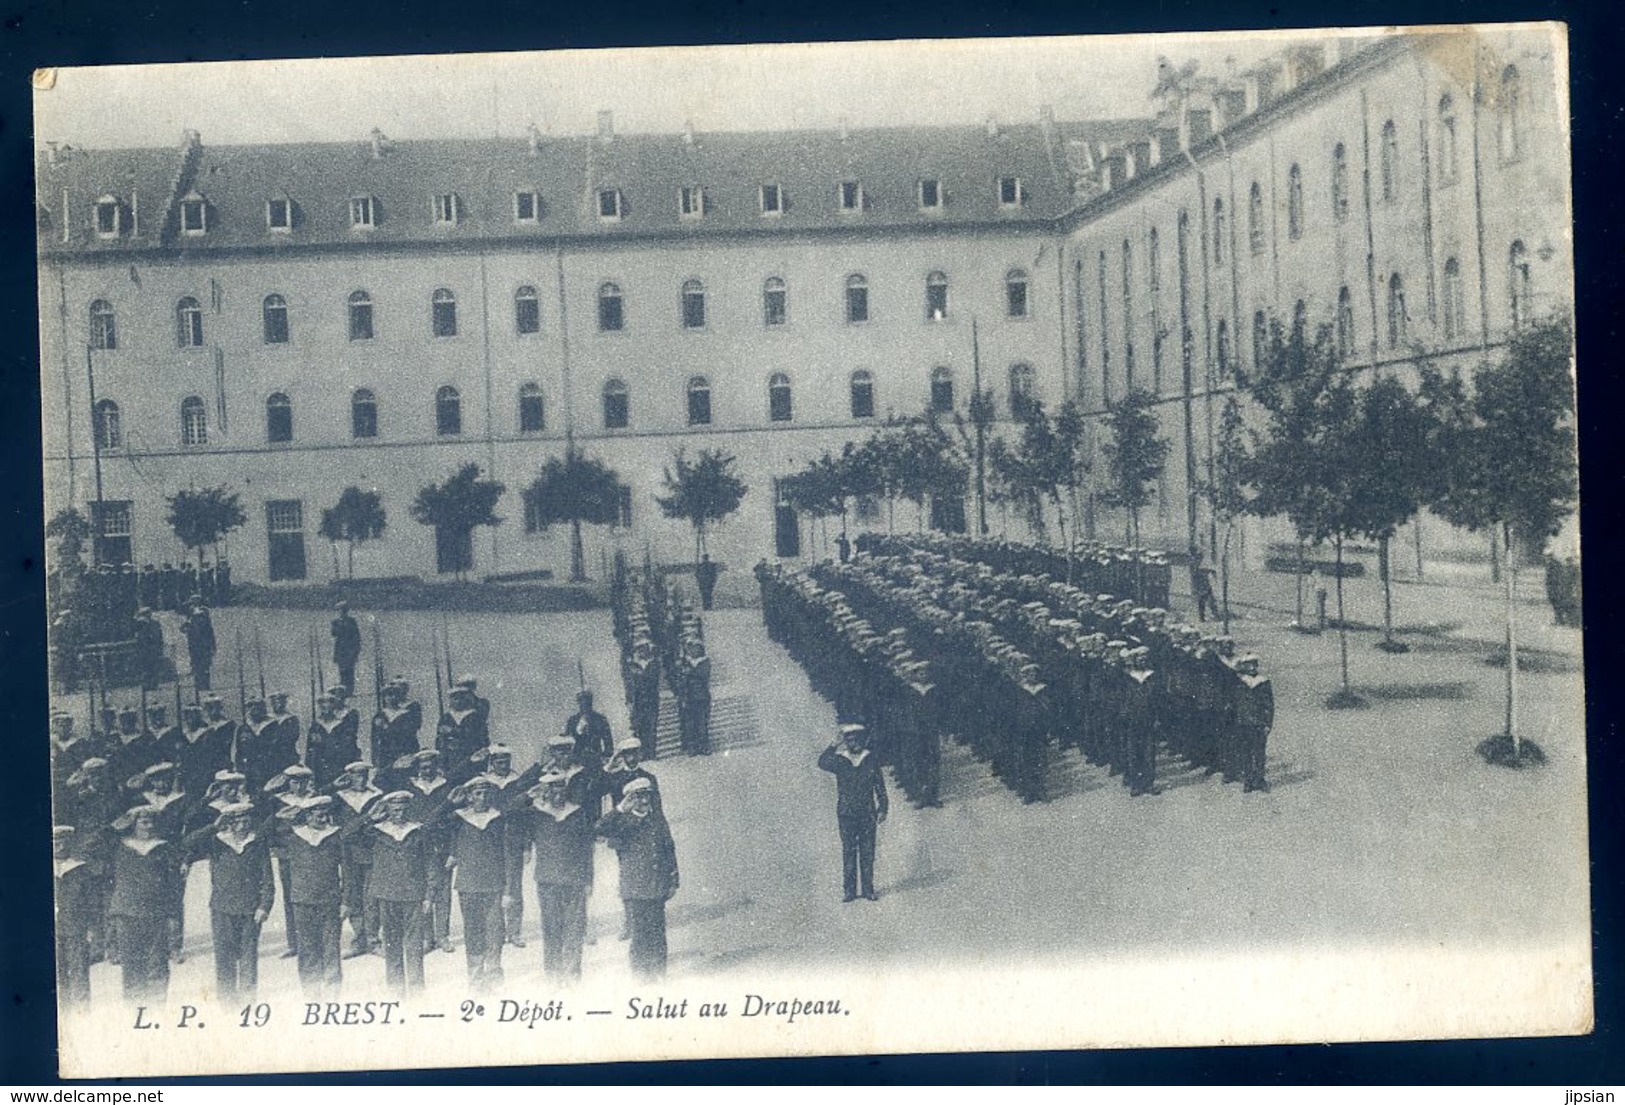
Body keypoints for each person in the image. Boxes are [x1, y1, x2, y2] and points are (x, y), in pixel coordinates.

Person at [180, 800, 274, 1001]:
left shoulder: (257, 843)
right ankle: (227, 1001)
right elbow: (188, 843)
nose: (243, 824)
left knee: (249, 956)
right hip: (222, 908)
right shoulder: (216, 842)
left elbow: (267, 878)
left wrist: (264, 906)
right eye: (238, 820)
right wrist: (214, 826)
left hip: (251, 909)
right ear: (229, 823)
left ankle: (249, 1000)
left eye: (246, 819)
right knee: (225, 958)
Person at [596, 777, 678, 980]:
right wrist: (619, 809)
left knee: (658, 935)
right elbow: (598, 829)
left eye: (647, 795)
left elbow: (669, 849)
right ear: (630, 799)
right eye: (638, 796)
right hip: (635, 890)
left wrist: (674, 879)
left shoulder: (657, 820)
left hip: (657, 885)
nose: (643, 801)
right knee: (640, 937)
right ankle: (641, 977)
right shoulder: (622, 824)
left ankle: (659, 974)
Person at [275, 794, 350, 994]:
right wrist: (285, 814)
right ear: (307, 816)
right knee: (307, 946)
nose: (322, 819)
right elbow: (265, 833)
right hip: (302, 899)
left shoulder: (336, 835)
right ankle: (310, 989)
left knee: (331, 945)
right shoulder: (294, 837)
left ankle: (333, 987)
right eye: (317, 815)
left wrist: (346, 901)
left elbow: (348, 871)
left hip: (330, 899)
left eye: (325, 815)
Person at [106, 805, 178, 1003]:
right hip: (127, 913)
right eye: (144, 821)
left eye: (152, 822)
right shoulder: (120, 846)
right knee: (131, 965)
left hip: (156, 913)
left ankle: (156, 1010)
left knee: (158, 964)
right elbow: (94, 844)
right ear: (133, 824)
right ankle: (135, 1011)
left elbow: (172, 884)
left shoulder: (162, 847)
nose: (149, 826)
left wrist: (173, 915)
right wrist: (121, 821)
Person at [528, 770, 595, 981]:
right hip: (547, 881)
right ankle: (553, 977)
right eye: (552, 790)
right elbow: (508, 812)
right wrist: (528, 795)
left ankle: (572, 975)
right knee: (551, 930)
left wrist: (588, 879)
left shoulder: (577, 812)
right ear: (545, 793)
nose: (558, 794)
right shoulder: (536, 814)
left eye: (561, 789)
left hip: (574, 880)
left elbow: (587, 848)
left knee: (574, 931)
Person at [366, 790, 434, 994]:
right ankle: (395, 989)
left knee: (414, 945)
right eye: (394, 810)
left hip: (413, 894)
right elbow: (348, 836)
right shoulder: (377, 831)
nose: (399, 814)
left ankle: (416, 990)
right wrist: (370, 816)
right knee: (391, 944)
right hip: (387, 895)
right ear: (387, 810)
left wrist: (430, 895)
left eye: (403, 810)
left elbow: (431, 863)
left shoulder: (418, 831)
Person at [445, 777, 508, 990]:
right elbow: (433, 825)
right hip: (468, 884)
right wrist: (450, 803)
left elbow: (505, 852)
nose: (482, 798)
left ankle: (494, 973)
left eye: (485, 793)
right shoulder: (458, 818)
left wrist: (508, 887)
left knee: (495, 929)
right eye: (477, 794)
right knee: (473, 930)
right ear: (469, 797)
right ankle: (475, 977)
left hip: (493, 884)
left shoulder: (497, 818)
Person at [817, 723, 888, 902]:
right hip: (846, 813)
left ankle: (867, 889)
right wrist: (833, 745)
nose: (853, 744)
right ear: (845, 742)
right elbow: (822, 762)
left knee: (867, 851)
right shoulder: (841, 761)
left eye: (856, 740)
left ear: (862, 740)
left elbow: (880, 786)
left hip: (867, 813)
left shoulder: (870, 759)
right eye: (849, 740)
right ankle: (849, 891)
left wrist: (883, 808)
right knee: (849, 851)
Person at [331, 761, 383, 958]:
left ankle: (373, 939)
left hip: (371, 852)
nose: (360, 779)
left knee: (371, 896)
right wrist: (334, 786)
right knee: (352, 894)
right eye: (356, 775)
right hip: (349, 853)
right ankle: (358, 939)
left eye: (363, 775)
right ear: (348, 776)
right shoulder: (340, 797)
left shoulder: (376, 796)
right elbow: (342, 830)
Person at [54, 826, 96, 1007]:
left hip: (75, 928)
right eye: (54, 842)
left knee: (79, 973)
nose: (57, 846)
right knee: (57, 977)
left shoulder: (80, 869)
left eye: (61, 842)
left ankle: (82, 1015)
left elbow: (92, 902)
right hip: (54, 930)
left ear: (68, 843)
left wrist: (92, 928)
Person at [563, 690, 613, 769]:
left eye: (587, 702)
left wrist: (606, 756)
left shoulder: (600, 719)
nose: (585, 705)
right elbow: (568, 740)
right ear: (578, 703)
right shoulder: (573, 720)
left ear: (591, 702)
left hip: (595, 756)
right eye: (582, 702)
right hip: (578, 758)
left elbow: (608, 741)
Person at [182, 598, 216, 691]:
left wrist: (213, 646)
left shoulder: (205, 625)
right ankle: (199, 685)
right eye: (197, 617)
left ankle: (205, 685)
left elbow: (211, 635)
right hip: (196, 648)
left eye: (201, 616)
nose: (199, 619)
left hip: (203, 647)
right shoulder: (191, 623)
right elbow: (182, 629)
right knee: (197, 666)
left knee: (204, 666)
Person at [330, 602, 362, 696]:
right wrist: (336, 625)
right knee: (342, 670)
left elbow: (357, 636)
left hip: (350, 649)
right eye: (340, 610)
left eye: (344, 610)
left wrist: (356, 650)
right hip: (341, 649)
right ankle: (343, 689)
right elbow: (333, 634)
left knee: (350, 670)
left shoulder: (352, 621)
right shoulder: (336, 622)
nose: (342, 612)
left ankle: (350, 690)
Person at [133, 607, 165, 690]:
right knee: (147, 667)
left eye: (149, 613)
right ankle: (147, 684)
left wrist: (160, 646)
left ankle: (154, 684)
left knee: (153, 667)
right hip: (145, 649)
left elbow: (159, 635)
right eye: (146, 613)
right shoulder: (140, 623)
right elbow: (139, 637)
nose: (148, 614)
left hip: (153, 648)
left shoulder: (155, 623)